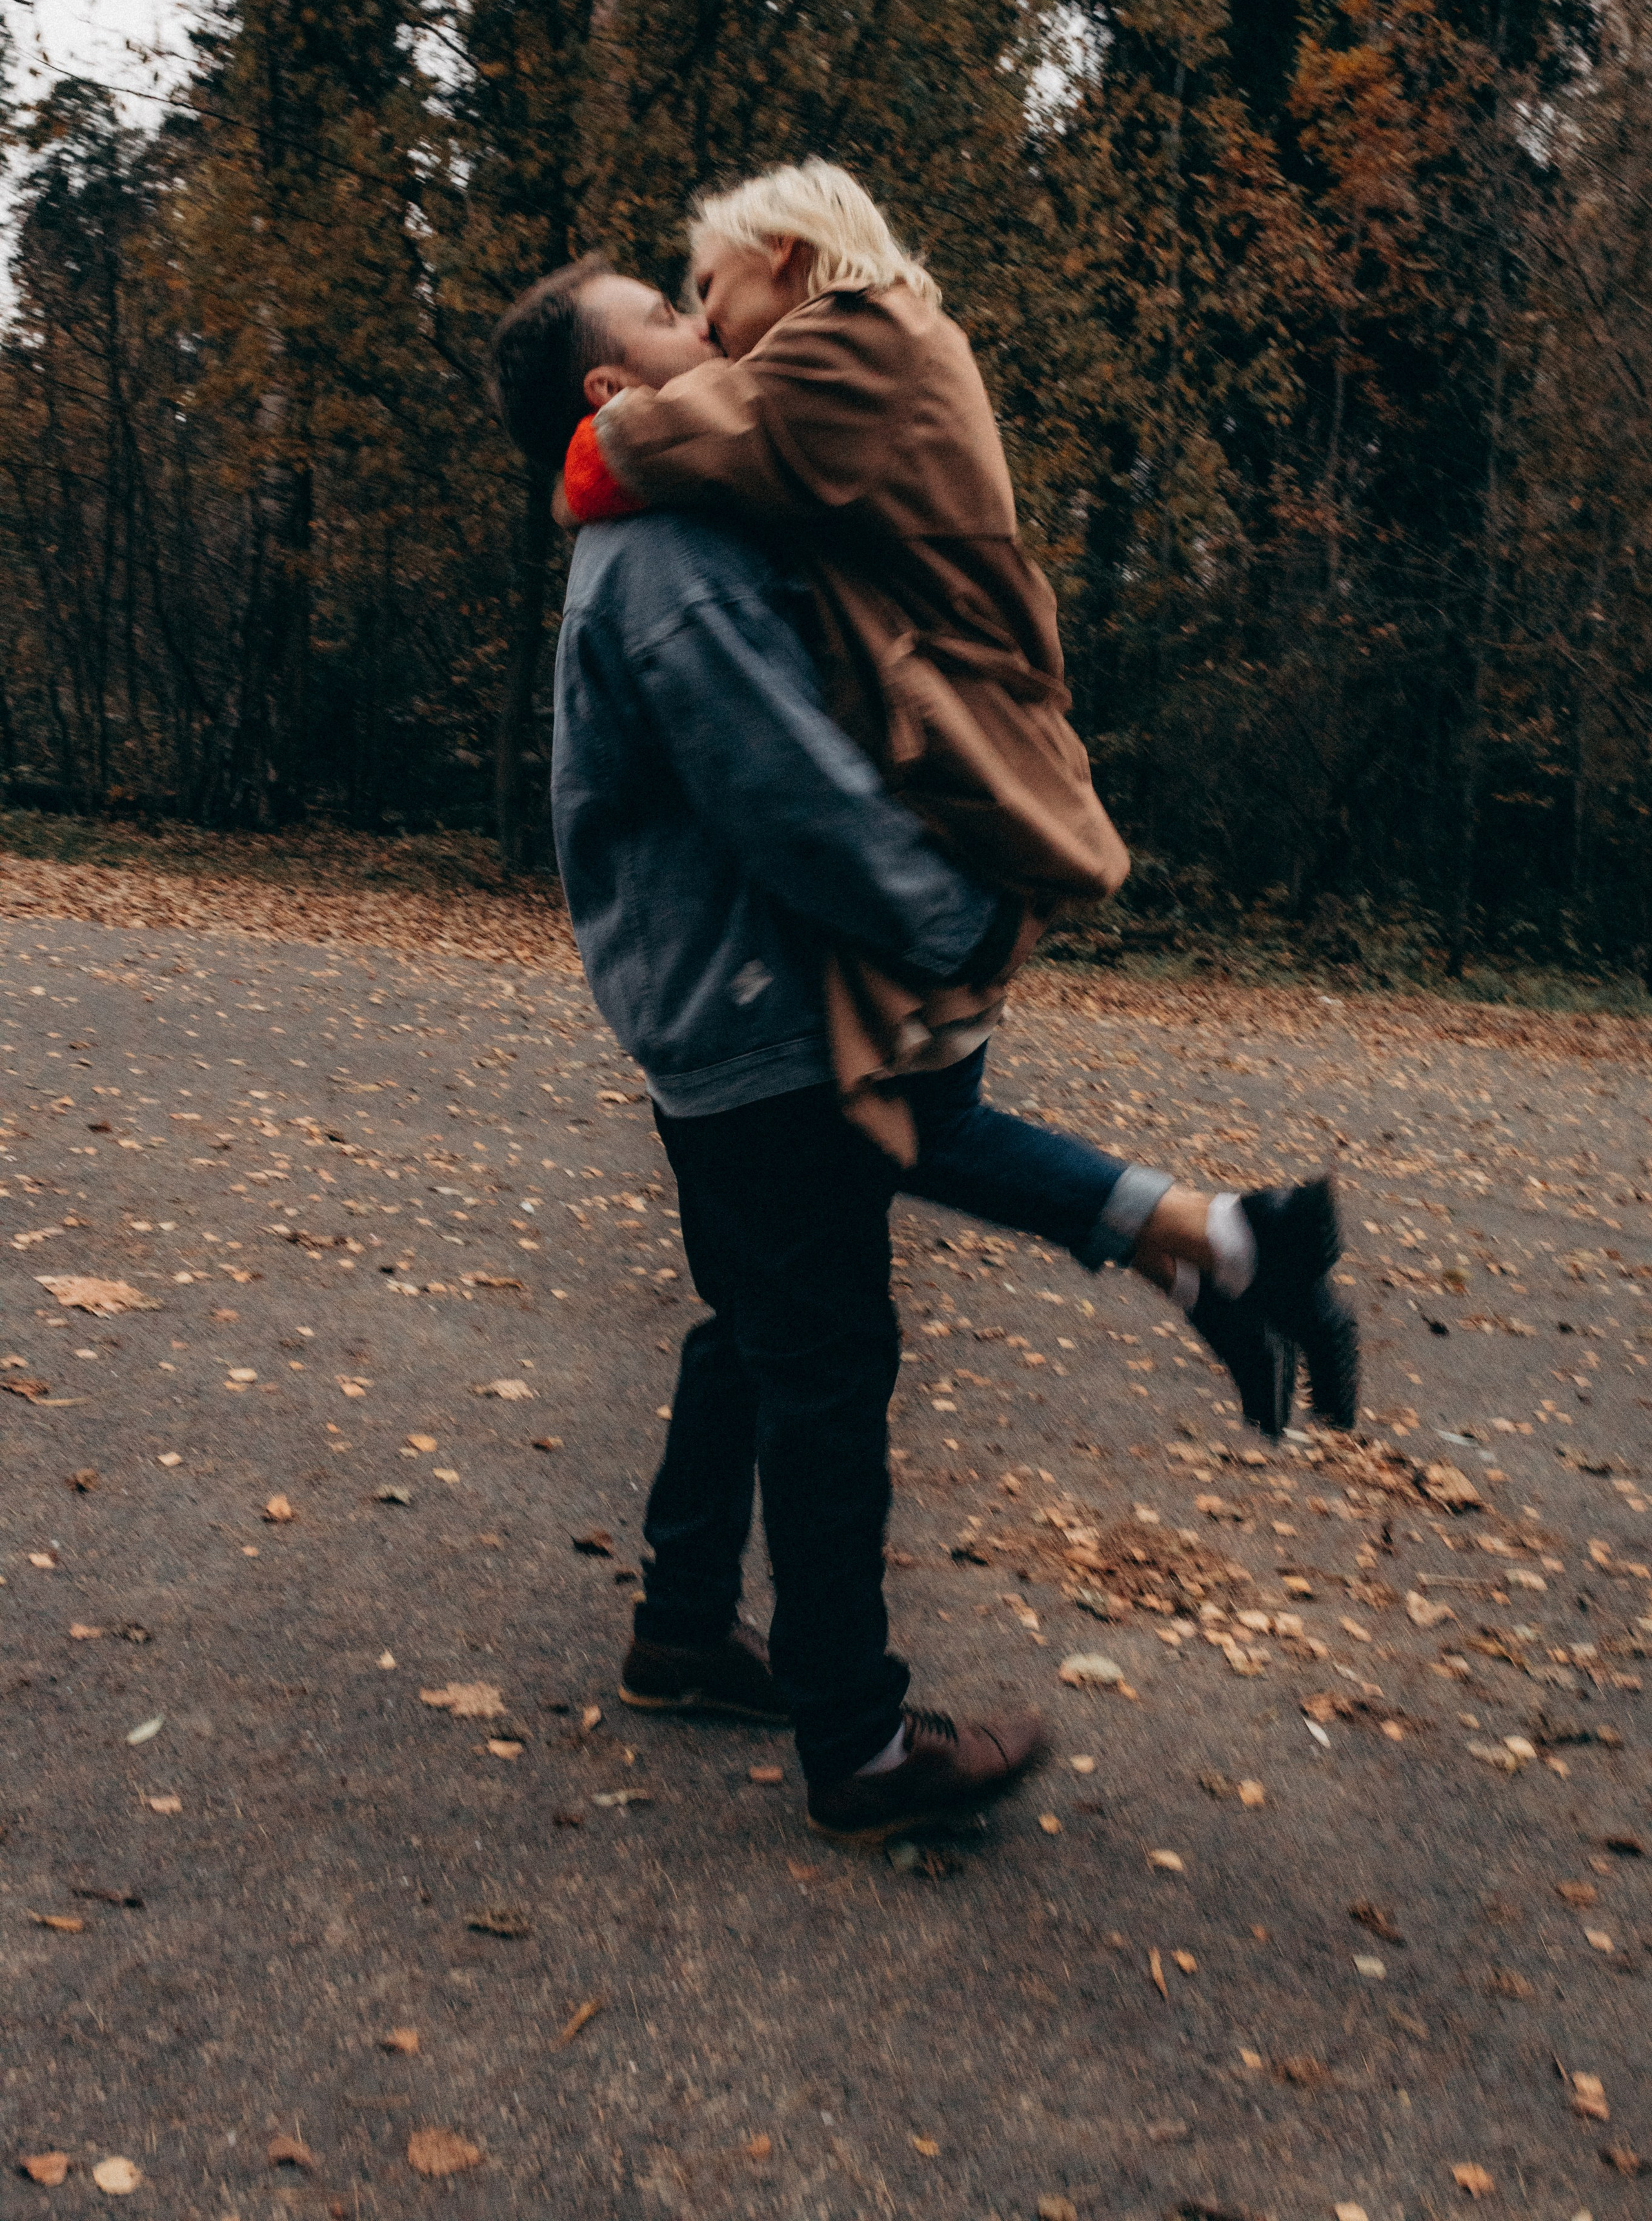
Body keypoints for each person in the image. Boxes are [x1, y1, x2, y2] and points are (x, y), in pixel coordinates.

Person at [489, 254, 1357, 1852]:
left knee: (756, 1326)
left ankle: (683, 1625)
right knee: (827, 1364)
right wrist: (946, 921)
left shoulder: (657, 530)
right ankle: (863, 1743)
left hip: (717, 1015)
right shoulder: (665, 553)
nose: (705, 331)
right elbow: (784, 794)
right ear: (613, 393)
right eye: (669, 319)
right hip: (749, 1025)